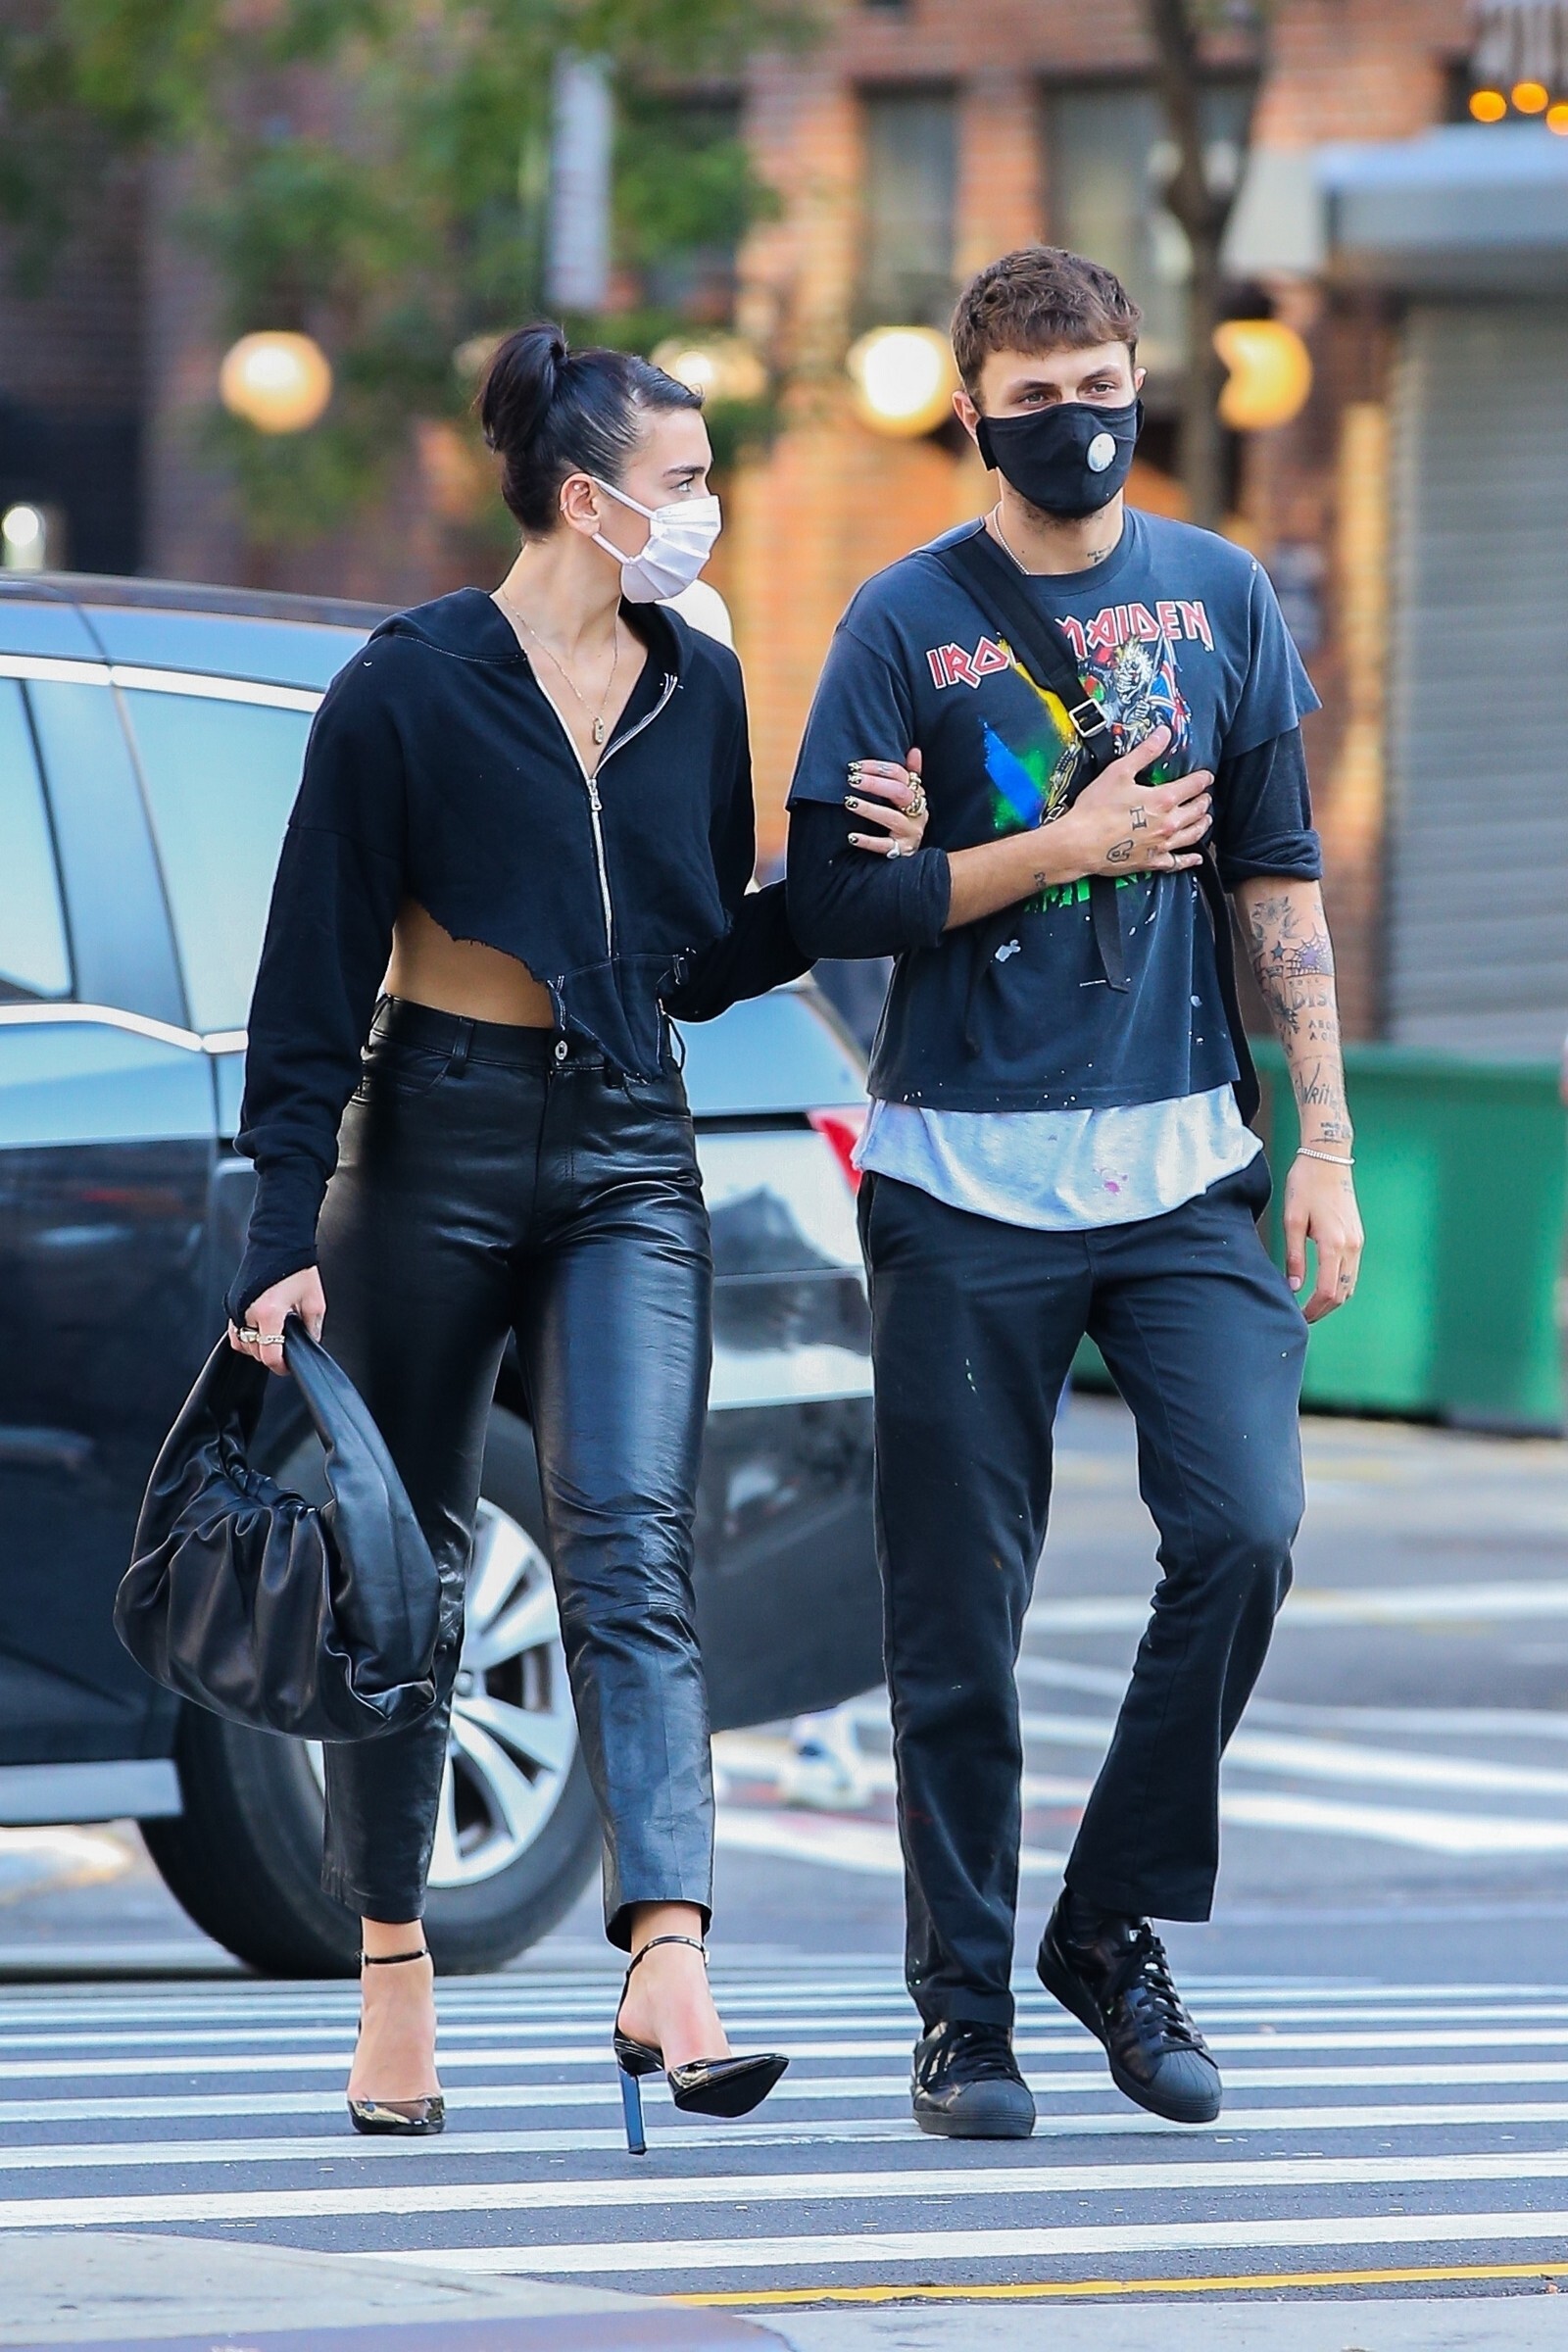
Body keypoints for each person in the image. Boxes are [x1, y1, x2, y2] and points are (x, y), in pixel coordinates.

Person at [223, 324, 927, 2146]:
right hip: (425, 1146)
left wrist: (841, 880)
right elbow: (309, 982)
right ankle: (394, 1964)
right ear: (585, 494)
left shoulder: (699, 685)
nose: (707, 509)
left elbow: (693, 958)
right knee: (403, 1574)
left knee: (632, 1546)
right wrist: (277, 1229)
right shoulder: (406, 688)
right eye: (684, 480)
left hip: (627, 1146)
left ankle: (670, 1954)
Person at [785, 246, 1363, 2139]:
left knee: (1248, 1528)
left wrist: (1326, 1143)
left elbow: (1277, 874)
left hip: (1185, 1169)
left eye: (1103, 384)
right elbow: (837, 897)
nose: (1079, 423)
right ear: (975, 414)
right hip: (963, 1179)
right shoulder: (901, 620)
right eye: (1035, 398)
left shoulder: (1220, 595)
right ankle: (963, 2012)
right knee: (959, 1618)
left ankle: (1105, 1927)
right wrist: (1064, 844)